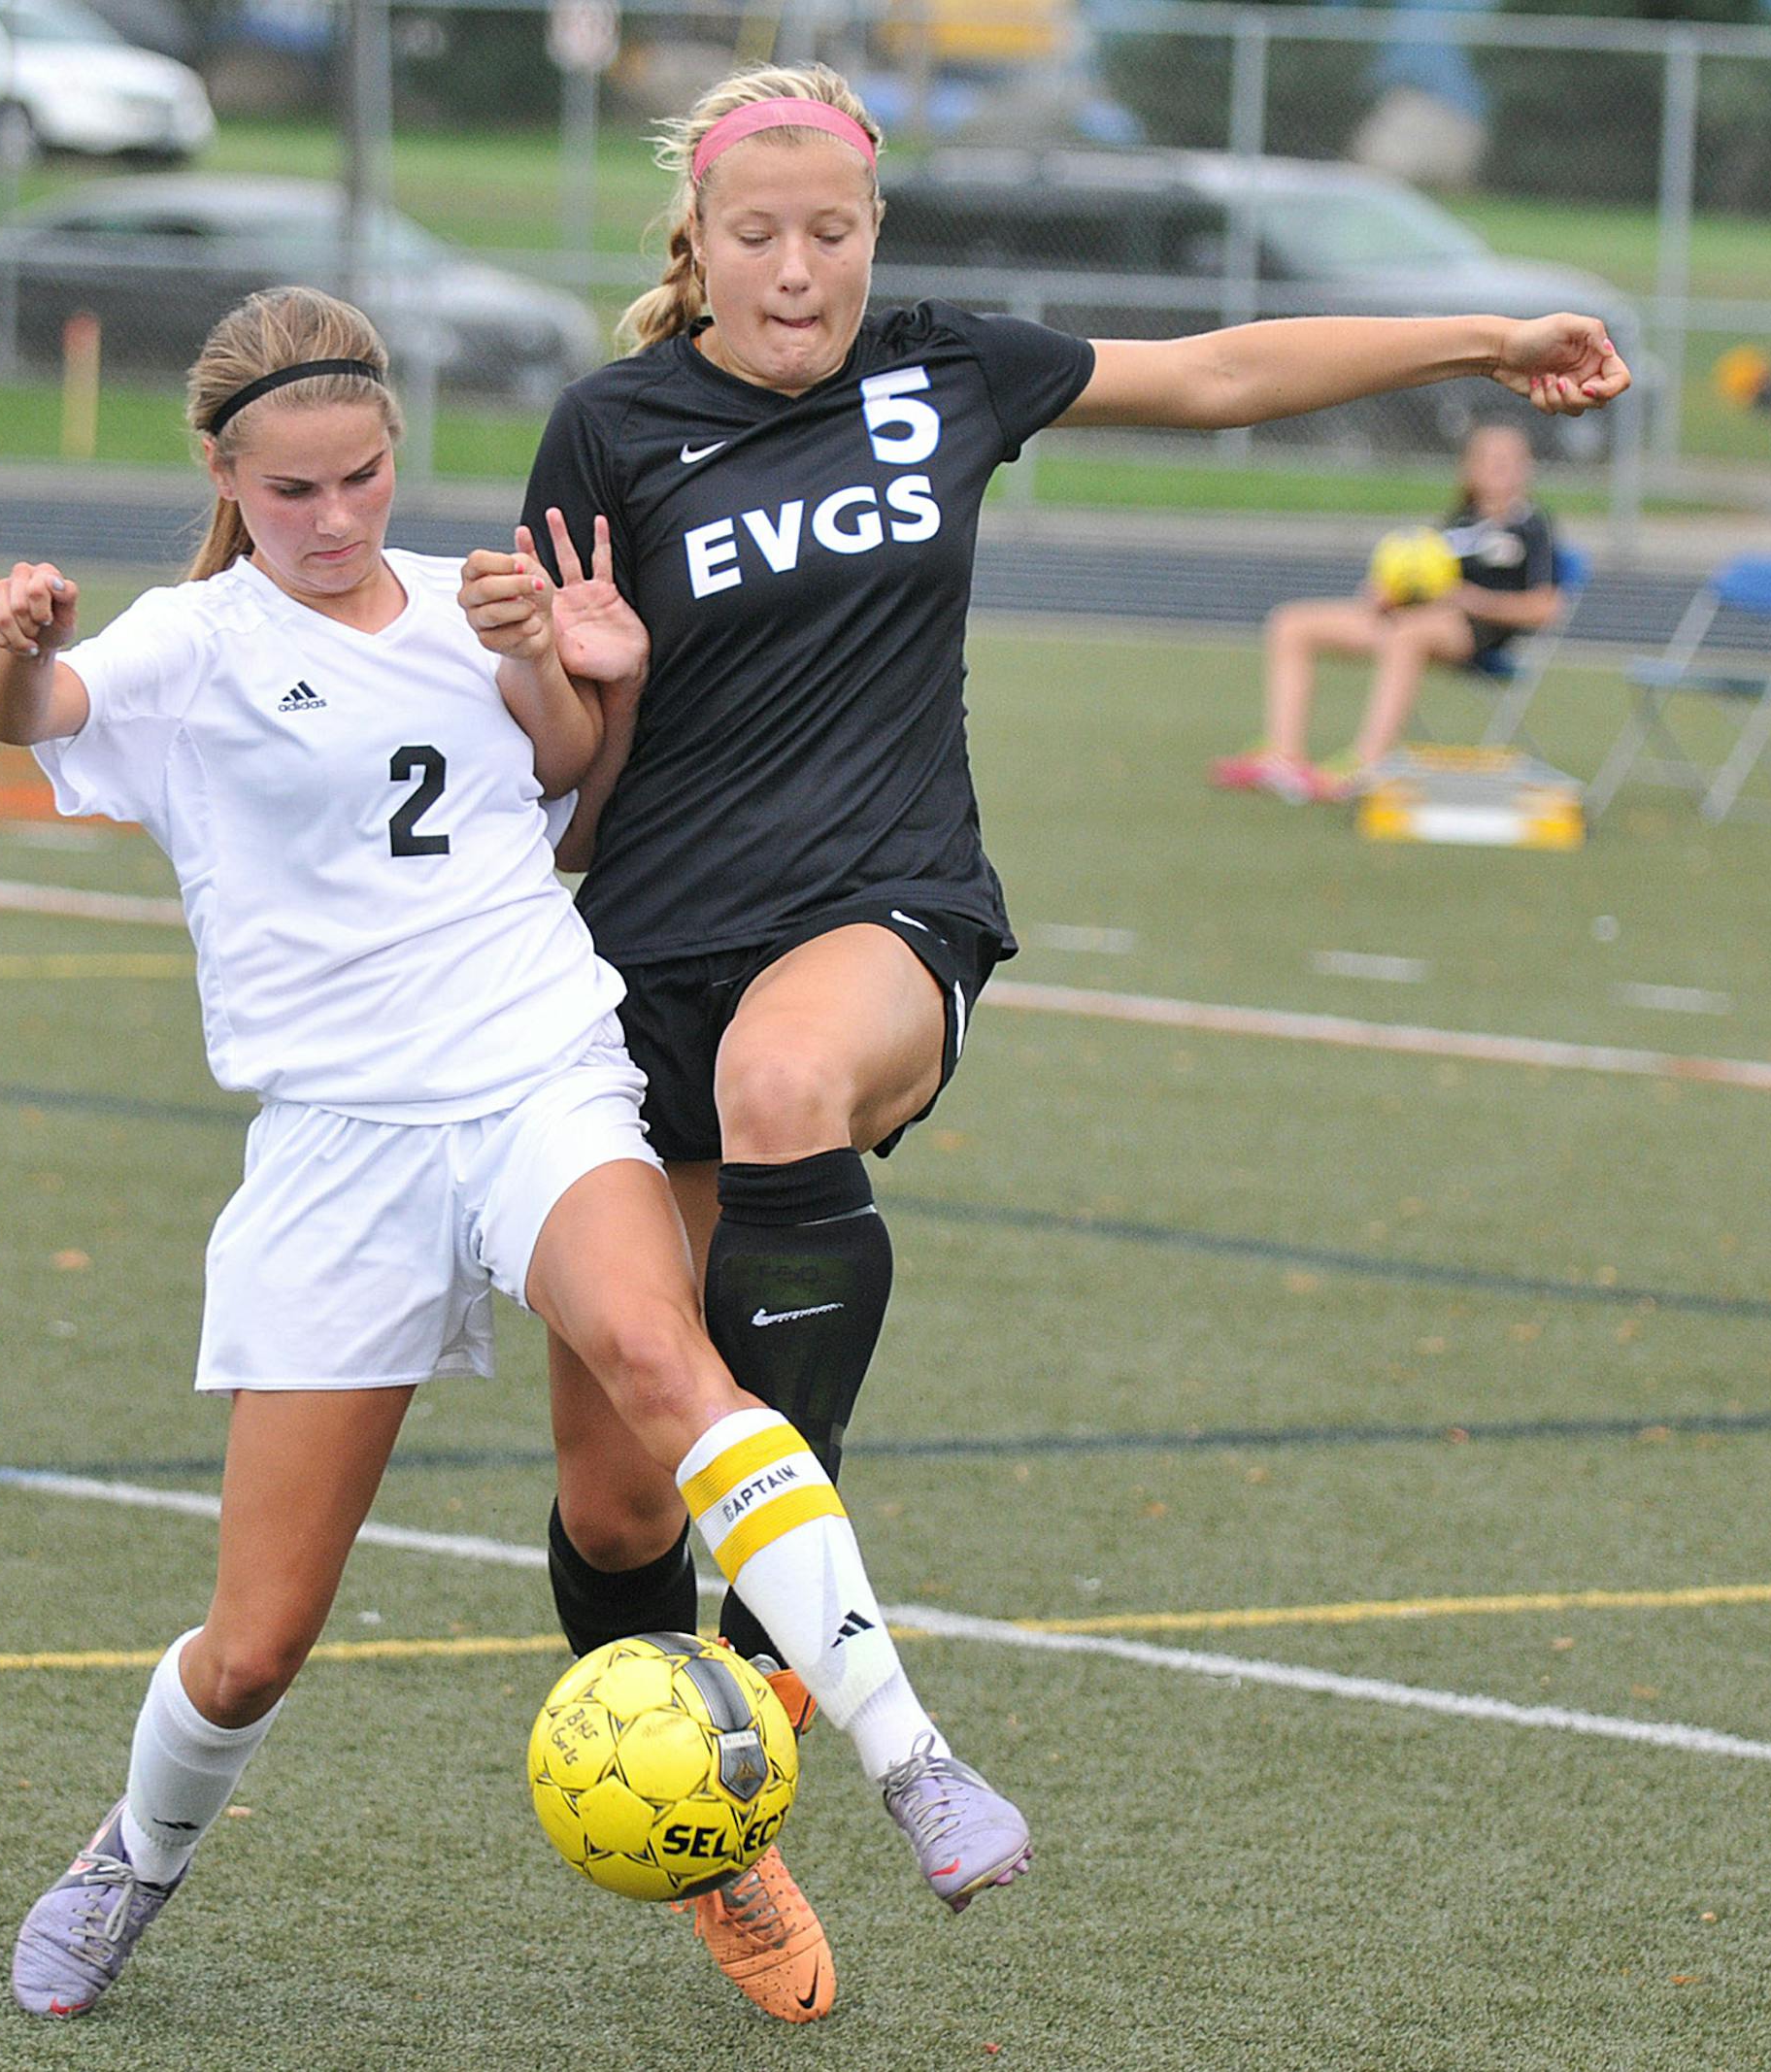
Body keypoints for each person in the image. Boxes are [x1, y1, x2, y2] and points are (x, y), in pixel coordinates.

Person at [514, 62, 1630, 2024]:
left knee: (790, 1087)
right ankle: (726, 1834)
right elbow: (570, 782)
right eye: (756, 236)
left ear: (875, 238)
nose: (798, 270)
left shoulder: (951, 370)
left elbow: (1214, 371)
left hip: (882, 910)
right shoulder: (610, 429)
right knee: (614, 1506)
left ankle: (785, 1627)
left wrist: (1487, 330)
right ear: (696, 245)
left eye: (833, 233)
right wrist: (564, 679)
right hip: (636, 956)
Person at [0, 284, 1031, 2022]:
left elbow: (562, 784)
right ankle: (131, 1855)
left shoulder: (477, 596)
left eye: (366, 477)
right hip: (337, 1139)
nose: (337, 520)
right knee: (255, 1644)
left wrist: (559, 659)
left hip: (537, 1070)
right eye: (298, 491)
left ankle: (911, 1757)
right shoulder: (193, 638)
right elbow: (34, 713)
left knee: (658, 1357)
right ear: (233, 478)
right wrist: (17, 640)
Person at [1210, 421, 1561, 802]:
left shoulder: (1532, 527)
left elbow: (1544, 608)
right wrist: (1388, 593)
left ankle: (1368, 763)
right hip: (1412, 619)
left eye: (1510, 460)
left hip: (1474, 633)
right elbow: (1423, 579)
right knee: (1291, 623)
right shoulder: (1456, 523)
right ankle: (1282, 756)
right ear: (1469, 468)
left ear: (1527, 468)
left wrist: (1473, 600)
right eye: (1491, 459)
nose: (1501, 468)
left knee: (1406, 634)